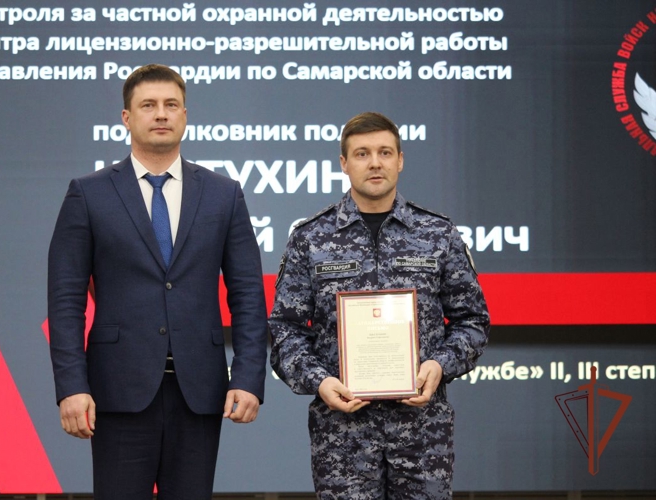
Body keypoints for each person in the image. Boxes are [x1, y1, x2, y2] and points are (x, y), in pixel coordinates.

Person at [48, 64, 268, 500]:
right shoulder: (88, 193)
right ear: (127, 117)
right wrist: (71, 387)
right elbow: (66, 299)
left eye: (171, 105)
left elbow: (247, 293)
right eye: (148, 105)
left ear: (185, 114)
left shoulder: (224, 194)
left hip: (199, 391)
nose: (161, 114)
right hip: (117, 391)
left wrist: (247, 376)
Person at [269, 112, 490, 499]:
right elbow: (285, 331)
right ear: (344, 163)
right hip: (341, 436)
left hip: (423, 432)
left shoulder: (438, 233)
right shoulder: (310, 238)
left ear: (400, 160)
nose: (375, 163)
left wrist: (439, 365)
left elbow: (473, 322)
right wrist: (320, 381)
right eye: (362, 153)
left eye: (385, 152)